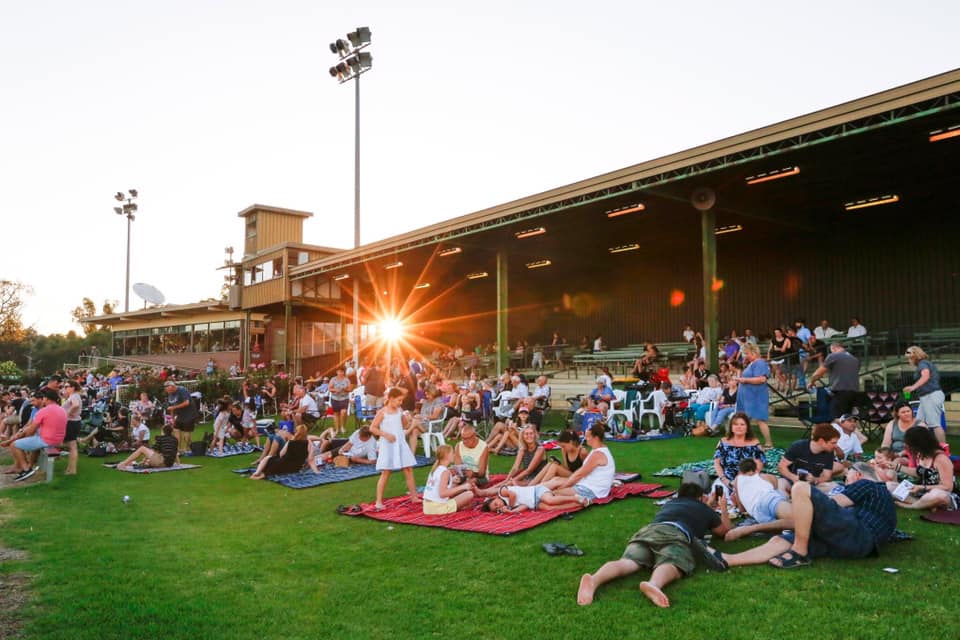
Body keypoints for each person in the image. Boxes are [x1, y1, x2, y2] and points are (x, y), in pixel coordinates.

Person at [576, 482, 731, 608]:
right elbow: (724, 532)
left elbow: (691, 511)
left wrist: (707, 506)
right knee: (672, 561)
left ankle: (595, 579)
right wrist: (722, 507)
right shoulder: (703, 508)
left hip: (649, 530)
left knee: (628, 562)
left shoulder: (671, 503)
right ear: (699, 497)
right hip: (676, 534)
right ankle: (654, 584)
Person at [719, 462, 895, 569]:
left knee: (800, 487)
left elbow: (834, 504)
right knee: (781, 541)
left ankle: (799, 552)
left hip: (857, 534)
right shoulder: (880, 502)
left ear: (857, 475)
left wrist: (805, 495)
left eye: (847, 479)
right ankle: (729, 559)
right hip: (852, 545)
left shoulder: (869, 485)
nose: (846, 483)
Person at [370, 388, 421, 510]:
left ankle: (414, 497)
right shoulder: (382, 412)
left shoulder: (399, 411)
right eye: (399, 400)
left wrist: (407, 419)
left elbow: (404, 424)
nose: (400, 403)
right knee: (386, 472)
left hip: (400, 443)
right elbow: (373, 428)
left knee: (408, 469)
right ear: (391, 399)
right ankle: (378, 501)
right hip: (388, 444)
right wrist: (386, 435)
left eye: (401, 400)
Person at [542, 422, 615, 507]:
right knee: (555, 480)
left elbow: (579, 474)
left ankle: (534, 493)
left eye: (588, 436)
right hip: (587, 485)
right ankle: (533, 490)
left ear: (596, 438)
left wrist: (563, 487)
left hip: (591, 490)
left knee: (552, 494)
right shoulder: (597, 450)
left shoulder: (597, 454)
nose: (586, 438)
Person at [725, 459, 794, 541]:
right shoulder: (767, 477)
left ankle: (751, 529)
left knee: (792, 523)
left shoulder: (737, 480)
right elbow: (776, 492)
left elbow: (742, 509)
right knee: (799, 520)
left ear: (740, 471)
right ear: (755, 469)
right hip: (769, 499)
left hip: (758, 514)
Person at [893, 427, 958, 510]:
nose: (906, 446)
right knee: (890, 486)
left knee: (936, 495)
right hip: (922, 492)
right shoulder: (921, 454)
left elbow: (948, 487)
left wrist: (921, 487)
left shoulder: (941, 459)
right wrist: (897, 467)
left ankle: (912, 506)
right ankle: (925, 504)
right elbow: (919, 473)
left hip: (943, 493)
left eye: (909, 444)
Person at [711, 412, 766, 500]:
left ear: (747, 428)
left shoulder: (755, 443)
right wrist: (724, 479)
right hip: (726, 479)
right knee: (718, 496)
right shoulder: (723, 442)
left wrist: (745, 480)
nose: (739, 427)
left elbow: (759, 466)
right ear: (731, 428)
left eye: (742, 424)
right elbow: (716, 463)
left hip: (748, 479)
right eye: (735, 424)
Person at [777, 423, 842, 492]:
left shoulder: (829, 452)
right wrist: (793, 477)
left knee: (834, 487)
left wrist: (815, 479)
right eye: (833, 443)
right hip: (791, 481)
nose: (836, 446)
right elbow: (781, 467)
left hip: (812, 485)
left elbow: (826, 476)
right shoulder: (798, 446)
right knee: (780, 484)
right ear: (821, 441)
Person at [902, 345, 946, 443]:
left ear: (915, 356)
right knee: (919, 422)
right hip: (925, 397)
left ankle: (944, 450)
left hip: (931, 395)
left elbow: (925, 376)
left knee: (934, 424)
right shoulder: (922, 364)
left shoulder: (923, 363)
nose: (908, 361)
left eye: (909, 358)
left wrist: (913, 387)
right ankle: (924, 446)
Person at [734, 342, 773, 448]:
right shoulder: (751, 363)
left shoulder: (760, 363)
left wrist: (743, 379)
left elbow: (762, 379)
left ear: (753, 352)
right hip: (747, 397)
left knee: (760, 419)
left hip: (756, 396)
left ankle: (769, 443)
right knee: (744, 420)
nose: (746, 356)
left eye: (747, 353)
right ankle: (745, 441)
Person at [806, 342, 860, 419]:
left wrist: (811, 382)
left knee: (837, 419)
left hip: (840, 392)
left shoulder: (833, 356)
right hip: (854, 392)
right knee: (849, 419)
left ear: (833, 348)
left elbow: (818, 373)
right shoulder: (855, 359)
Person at [422, 445, 475, 514]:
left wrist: (452, 480)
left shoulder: (435, 468)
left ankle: (460, 506)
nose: (454, 455)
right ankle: (459, 507)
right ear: (447, 455)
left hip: (427, 507)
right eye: (452, 453)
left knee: (455, 486)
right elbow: (442, 494)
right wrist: (462, 487)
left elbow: (437, 483)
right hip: (437, 508)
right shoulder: (445, 472)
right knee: (469, 494)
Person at [164, 380, 198, 454]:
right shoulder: (170, 394)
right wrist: (172, 419)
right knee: (176, 430)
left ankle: (187, 449)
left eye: (169, 390)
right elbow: (171, 407)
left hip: (189, 414)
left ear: (173, 386)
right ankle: (178, 449)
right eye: (167, 391)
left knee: (186, 432)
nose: (168, 392)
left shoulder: (182, 390)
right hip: (180, 415)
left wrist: (174, 407)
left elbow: (187, 402)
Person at [61, 379, 83, 475]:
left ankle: (72, 470)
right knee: (72, 446)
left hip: (71, 423)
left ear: (72, 388)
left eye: (67, 387)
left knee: (72, 446)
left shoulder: (74, 396)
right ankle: (70, 469)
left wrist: (68, 413)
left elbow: (76, 405)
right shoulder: (74, 396)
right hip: (73, 422)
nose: (65, 388)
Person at [328, 366, 352, 434]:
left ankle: (343, 427)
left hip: (344, 398)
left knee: (343, 412)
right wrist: (335, 390)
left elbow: (350, 389)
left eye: (342, 371)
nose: (340, 373)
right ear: (336, 372)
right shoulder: (333, 379)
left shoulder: (347, 380)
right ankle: (337, 429)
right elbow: (329, 388)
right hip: (335, 398)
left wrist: (345, 389)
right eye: (339, 371)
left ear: (344, 372)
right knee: (336, 414)